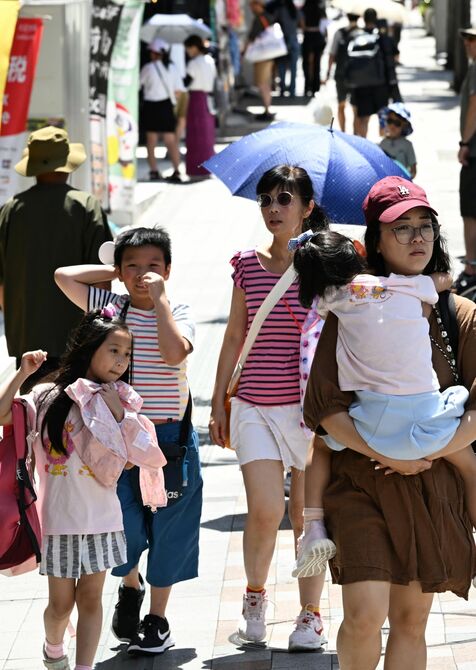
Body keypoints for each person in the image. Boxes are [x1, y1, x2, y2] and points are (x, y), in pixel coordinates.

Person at [303, 176, 476, 669]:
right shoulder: (352, 307)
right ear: (374, 242)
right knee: (363, 613)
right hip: (362, 481)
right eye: (401, 229)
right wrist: (386, 455)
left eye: (425, 227)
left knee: (410, 621)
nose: (417, 237)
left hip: (433, 484)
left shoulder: (459, 313)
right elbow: (325, 410)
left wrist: (426, 454)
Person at [291, 220, 476, 577]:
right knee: (469, 464)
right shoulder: (403, 288)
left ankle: (312, 525)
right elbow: (440, 286)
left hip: (370, 424)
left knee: (323, 444)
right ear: (364, 250)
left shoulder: (333, 302)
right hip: (429, 426)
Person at [54, 226, 202, 656]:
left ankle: (157, 619)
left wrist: (158, 301)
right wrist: (115, 271)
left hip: (168, 439)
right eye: (133, 266)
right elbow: (64, 276)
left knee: (171, 527)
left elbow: (175, 354)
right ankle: (130, 584)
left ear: (169, 270)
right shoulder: (109, 307)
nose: (143, 274)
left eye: (153, 265)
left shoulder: (178, 309)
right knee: (122, 526)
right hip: (112, 440)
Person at [0, 308, 166, 670]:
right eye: (114, 350)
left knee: (91, 600)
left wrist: (119, 416)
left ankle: (83, 667)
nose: (122, 361)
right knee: (59, 607)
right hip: (58, 522)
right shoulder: (46, 397)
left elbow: (140, 457)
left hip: (103, 520)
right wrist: (23, 373)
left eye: (127, 354)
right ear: (89, 348)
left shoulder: (121, 399)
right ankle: (54, 646)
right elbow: (1, 413)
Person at [209, 165, 329, 651]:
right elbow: (234, 334)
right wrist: (219, 401)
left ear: (307, 208)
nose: (273, 209)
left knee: (308, 516)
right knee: (263, 511)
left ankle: (311, 614)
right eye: (265, 200)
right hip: (255, 404)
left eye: (284, 199)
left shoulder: (326, 265)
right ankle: (255, 601)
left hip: (310, 410)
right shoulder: (245, 262)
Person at [0, 126, 112, 391]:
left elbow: (2, 284)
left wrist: (19, 324)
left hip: (28, 338)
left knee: (31, 417)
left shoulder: (11, 210)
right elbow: (103, 277)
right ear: (68, 164)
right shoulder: (85, 206)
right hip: (78, 336)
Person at [346, 8, 398, 138]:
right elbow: (395, 57)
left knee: (363, 118)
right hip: (381, 84)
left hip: (361, 84)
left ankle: (363, 146)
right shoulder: (382, 37)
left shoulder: (356, 36)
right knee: (382, 116)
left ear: (363, 20)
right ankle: (382, 146)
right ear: (376, 19)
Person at [140, 38, 184, 182]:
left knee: (151, 140)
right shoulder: (173, 68)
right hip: (166, 106)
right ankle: (177, 170)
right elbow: (179, 91)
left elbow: (138, 85)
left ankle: (154, 171)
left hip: (151, 106)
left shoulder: (148, 68)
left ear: (154, 53)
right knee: (170, 140)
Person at [455, 26, 476, 295]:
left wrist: (465, 143)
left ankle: (471, 267)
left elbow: (474, 104)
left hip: (475, 150)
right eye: (467, 40)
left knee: (470, 211)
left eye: (473, 40)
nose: (468, 44)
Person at [183, 35, 217, 177]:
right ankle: (207, 167)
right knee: (207, 135)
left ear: (195, 47)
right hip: (208, 98)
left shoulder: (193, 63)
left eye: (188, 48)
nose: (187, 52)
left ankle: (196, 168)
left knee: (195, 134)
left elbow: (186, 83)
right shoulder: (210, 60)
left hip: (196, 99)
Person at [325, 13, 359, 132]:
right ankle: (355, 134)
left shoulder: (339, 33)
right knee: (356, 108)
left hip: (341, 74)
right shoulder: (362, 33)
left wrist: (327, 73)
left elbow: (332, 54)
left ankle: (343, 132)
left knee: (341, 105)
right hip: (358, 76)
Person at [245, 0, 276, 121]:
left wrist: (245, 50)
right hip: (269, 55)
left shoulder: (259, 19)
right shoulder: (269, 16)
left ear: (258, 5)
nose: (250, 8)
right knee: (266, 83)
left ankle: (267, 110)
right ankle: (267, 108)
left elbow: (251, 37)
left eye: (252, 5)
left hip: (262, 56)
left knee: (262, 83)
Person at [267, 0, 300, 97]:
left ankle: (282, 89)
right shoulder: (295, 10)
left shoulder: (280, 10)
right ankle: (292, 90)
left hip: (283, 41)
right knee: (293, 67)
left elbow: (272, 22)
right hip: (293, 39)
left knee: (282, 66)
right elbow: (301, 23)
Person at [379, 102, 417, 178]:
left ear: (404, 125)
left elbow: (413, 170)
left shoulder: (407, 145)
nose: (392, 125)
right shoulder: (382, 144)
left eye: (397, 123)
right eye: (390, 121)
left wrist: (407, 179)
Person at [300, 0, 328, 98]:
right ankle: (315, 87)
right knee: (317, 63)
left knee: (306, 63)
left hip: (308, 35)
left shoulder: (305, 6)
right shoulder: (321, 6)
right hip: (318, 36)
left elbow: (302, 22)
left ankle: (307, 86)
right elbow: (325, 23)